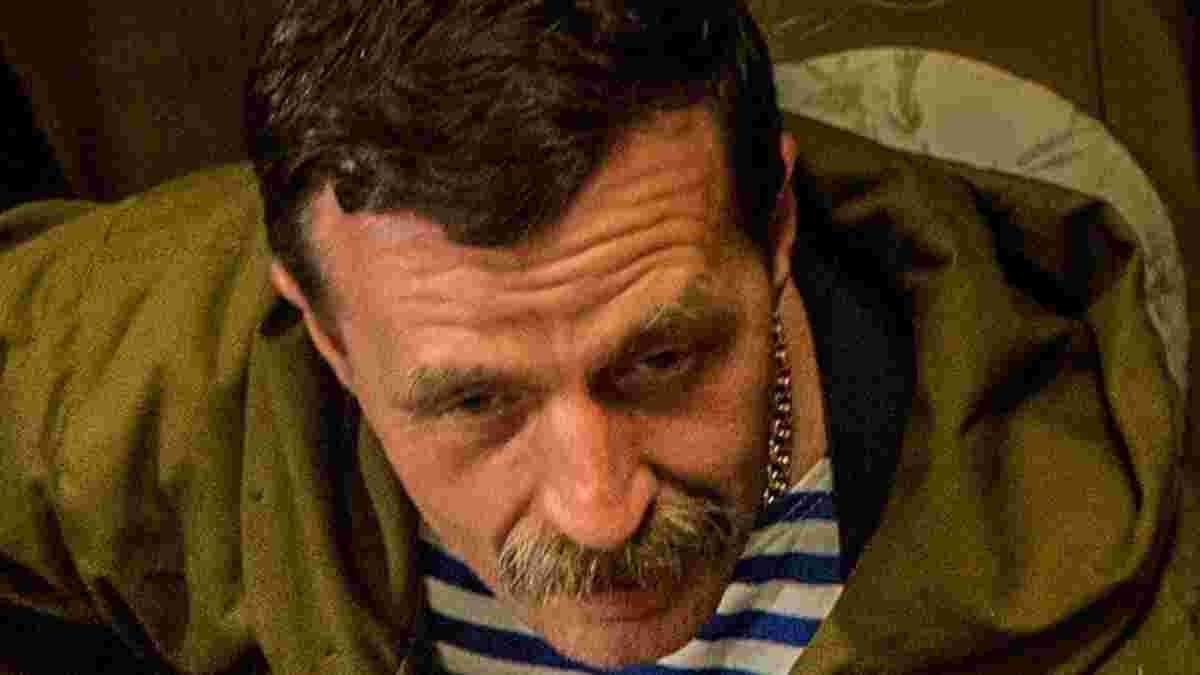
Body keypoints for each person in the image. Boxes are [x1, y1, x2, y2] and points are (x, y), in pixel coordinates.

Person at [0, 1, 1195, 673]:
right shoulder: (150, 354)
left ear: (776, 229)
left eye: (661, 360)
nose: (597, 508)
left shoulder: (1091, 562)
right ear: (325, 333)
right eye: (473, 401)